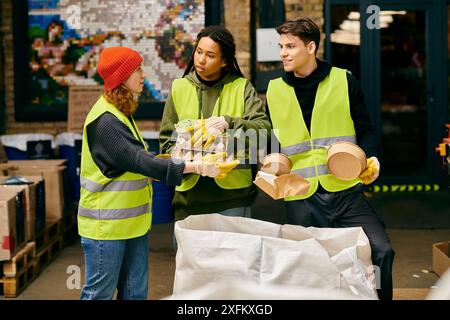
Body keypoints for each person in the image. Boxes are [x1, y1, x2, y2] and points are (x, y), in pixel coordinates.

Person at [265, 18, 395, 300]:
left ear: (311, 47)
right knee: (309, 267)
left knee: (381, 250)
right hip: (301, 194)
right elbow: (272, 140)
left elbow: (365, 127)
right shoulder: (274, 90)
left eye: (291, 46)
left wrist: (372, 159)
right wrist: (268, 164)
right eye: (281, 46)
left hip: (345, 190)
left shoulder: (343, 79)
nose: (284, 53)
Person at [77, 46, 221, 300]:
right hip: (106, 228)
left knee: (135, 293)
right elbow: (138, 160)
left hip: (132, 225)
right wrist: (194, 166)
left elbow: (134, 161)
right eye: (137, 70)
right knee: (99, 293)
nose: (143, 75)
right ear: (122, 78)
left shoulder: (119, 113)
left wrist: (176, 158)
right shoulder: (106, 121)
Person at [160, 25, 271, 220]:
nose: (201, 60)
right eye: (199, 51)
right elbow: (166, 140)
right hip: (189, 200)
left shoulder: (242, 87)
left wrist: (229, 122)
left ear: (224, 61)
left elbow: (264, 134)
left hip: (234, 198)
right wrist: (183, 152)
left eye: (210, 55)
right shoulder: (179, 88)